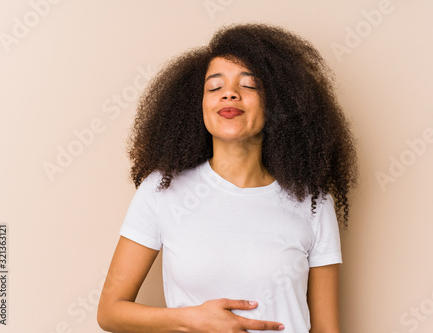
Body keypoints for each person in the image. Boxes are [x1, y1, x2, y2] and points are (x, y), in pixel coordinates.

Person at [97, 23, 357, 333]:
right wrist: (188, 319)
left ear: (276, 103)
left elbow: (328, 329)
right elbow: (110, 312)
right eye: (214, 87)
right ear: (199, 105)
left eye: (248, 85)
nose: (230, 94)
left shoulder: (312, 202)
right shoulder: (161, 190)